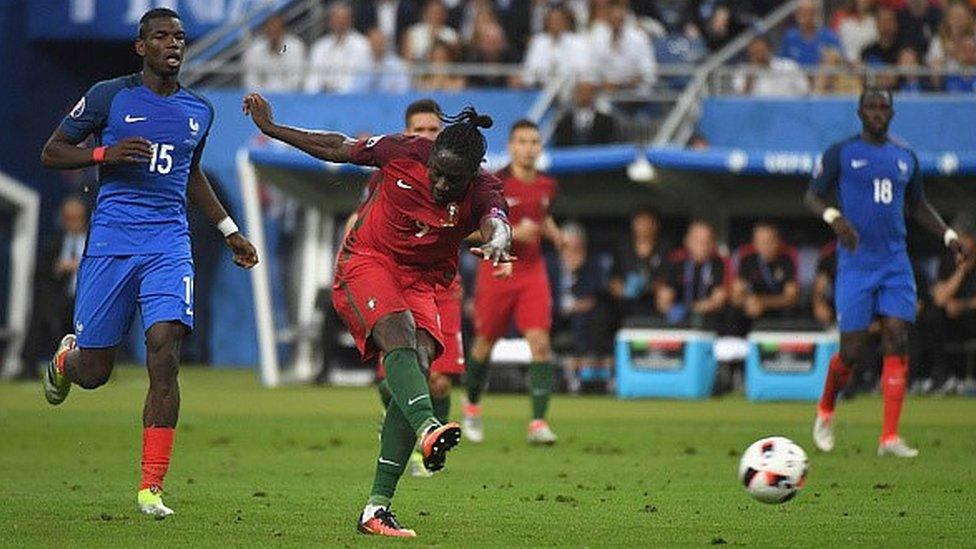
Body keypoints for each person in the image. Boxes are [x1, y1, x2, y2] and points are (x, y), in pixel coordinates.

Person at [243, 93, 512, 538]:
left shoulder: (484, 188)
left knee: (418, 371)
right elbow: (337, 146)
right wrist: (273, 129)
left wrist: (500, 241)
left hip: (425, 279)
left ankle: (376, 509)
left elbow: (497, 221)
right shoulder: (404, 151)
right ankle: (428, 426)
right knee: (401, 340)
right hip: (369, 260)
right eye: (437, 173)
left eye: (452, 180)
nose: (441, 184)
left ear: (473, 175)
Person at [39, 8, 259, 518]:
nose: (172, 44)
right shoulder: (108, 96)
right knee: (95, 373)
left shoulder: (199, 110)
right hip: (112, 243)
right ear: (141, 47)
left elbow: (191, 173)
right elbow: (51, 152)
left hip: (168, 244)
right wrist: (104, 156)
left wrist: (230, 232)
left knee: (165, 350)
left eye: (179, 37)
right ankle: (65, 361)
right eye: (161, 36)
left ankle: (151, 488)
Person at [807, 88, 967, 458]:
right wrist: (834, 217)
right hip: (856, 265)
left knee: (897, 335)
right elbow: (812, 196)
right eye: (871, 107)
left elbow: (919, 205)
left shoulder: (904, 156)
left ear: (892, 114)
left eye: (884, 107)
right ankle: (826, 409)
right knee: (852, 350)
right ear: (860, 112)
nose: (877, 113)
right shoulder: (841, 153)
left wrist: (948, 234)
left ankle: (889, 437)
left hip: (895, 263)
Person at [345, 99, 464, 479]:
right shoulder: (388, 170)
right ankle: (419, 430)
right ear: (406, 132)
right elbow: (360, 217)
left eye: (433, 130)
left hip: (440, 284)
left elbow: (472, 220)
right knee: (403, 374)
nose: (427, 137)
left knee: (440, 380)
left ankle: (426, 453)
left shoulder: (458, 177)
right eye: (419, 131)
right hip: (393, 282)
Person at [464, 119, 562, 446]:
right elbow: (470, 230)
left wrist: (553, 232)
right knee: (484, 344)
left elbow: (541, 212)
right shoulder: (494, 184)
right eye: (522, 141)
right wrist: (510, 233)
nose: (529, 148)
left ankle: (538, 423)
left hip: (533, 272)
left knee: (540, 344)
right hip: (497, 269)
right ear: (510, 146)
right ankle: (473, 406)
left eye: (534, 141)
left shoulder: (547, 185)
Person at [19, 197, 88, 379]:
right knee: (42, 309)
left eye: (77, 218)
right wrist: (58, 267)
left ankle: (95, 365)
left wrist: (82, 267)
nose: (73, 223)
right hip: (61, 297)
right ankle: (28, 367)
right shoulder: (54, 244)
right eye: (69, 218)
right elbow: (40, 273)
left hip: (87, 298)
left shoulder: (96, 244)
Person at [656, 220, 731, 330]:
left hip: (710, 320)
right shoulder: (676, 262)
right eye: (698, 240)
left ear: (713, 244)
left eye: (707, 241)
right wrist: (670, 309)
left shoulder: (721, 263)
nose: (703, 245)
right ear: (687, 241)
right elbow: (663, 300)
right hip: (678, 321)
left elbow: (718, 301)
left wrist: (688, 309)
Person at [731, 222, 800, 326]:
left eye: (769, 241)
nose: (766, 246)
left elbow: (791, 298)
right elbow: (735, 296)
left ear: (777, 242)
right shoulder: (747, 261)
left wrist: (762, 302)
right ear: (754, 243)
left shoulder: (787, 261)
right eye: (761, 242)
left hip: (777, 311)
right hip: (752, 309)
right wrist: (748, 302)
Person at [608, 207, 669, 320]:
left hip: (652, 299)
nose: (643, 227)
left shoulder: (665, 248)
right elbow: (613, 277)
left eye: (647, 222)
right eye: (640, 222)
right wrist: (620, 287)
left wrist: (647, 286)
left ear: (655, 225)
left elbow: (668, 277)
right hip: (625, 299)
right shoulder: (622, 248)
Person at [305, 1, 372, 93]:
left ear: (350, 21)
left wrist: (338, 94)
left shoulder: (362, 45)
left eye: (343, 20)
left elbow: (359, 80)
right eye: (336, 20)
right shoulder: (320, 46)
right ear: (330, 22)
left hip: (350, 99)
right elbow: (312, 78)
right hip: (322, 98)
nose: (340, 24)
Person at [242, 14, 306, 92]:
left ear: (283, 31)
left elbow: (296, 79)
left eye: (277, 30)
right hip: (261, 95)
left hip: (288, 95)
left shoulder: (294, 47)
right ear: (265, 31)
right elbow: (251, 80)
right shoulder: (254, 49)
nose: (274, 35)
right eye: (270, 31)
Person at [733, 35, 810, 96]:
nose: (759, 55)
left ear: (770, 49)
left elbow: (804, 91)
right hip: (757, 112)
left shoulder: (789, 66)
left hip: (787, 111)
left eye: (762, 51)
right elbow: (741, 100)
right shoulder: (742, 71)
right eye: (755, 52)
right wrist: (751, 75)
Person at [779, 0, 843, 66]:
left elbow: (841, 61)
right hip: (795, 75)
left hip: (820, 74)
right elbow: (781, 62)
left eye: (808, 12)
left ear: (815, 14)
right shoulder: (790, 37)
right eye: (800, 12)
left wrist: (833, 58)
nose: (803, 16)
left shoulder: (829, 37)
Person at [553, 80, 616, 146]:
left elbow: (609, 144)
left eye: (587, 92)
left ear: (593, 95)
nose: (584, 95)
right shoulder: (564, 122)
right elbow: (560, 145)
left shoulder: (606, 121)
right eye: (580, 92)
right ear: (575, 95)